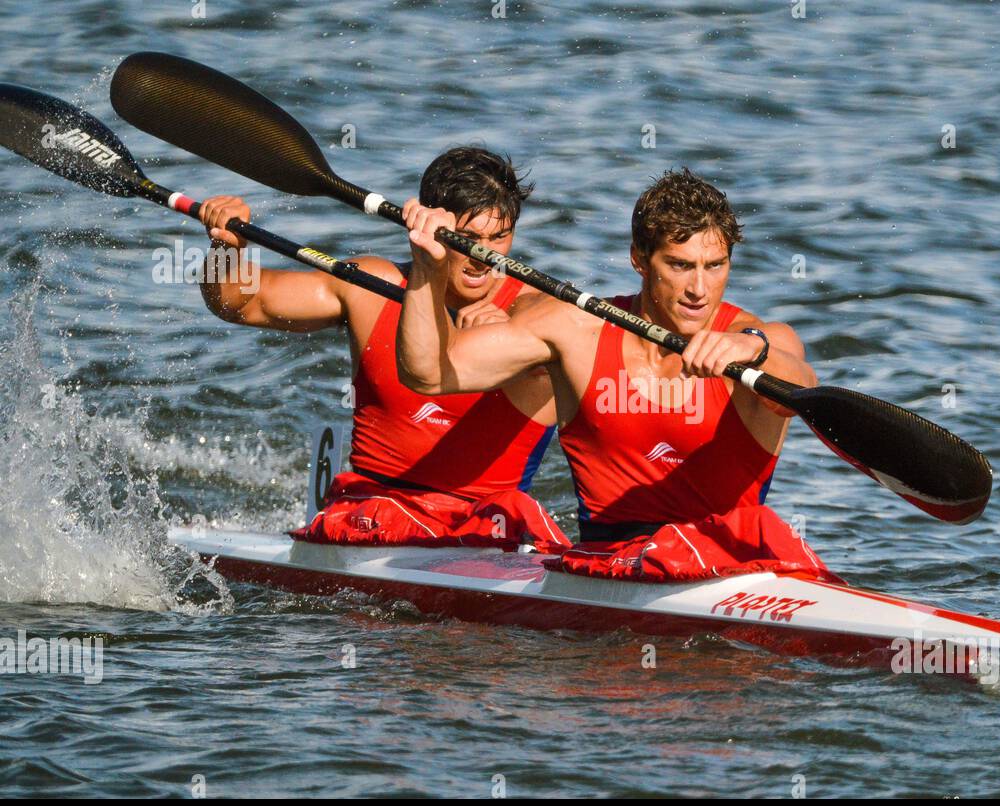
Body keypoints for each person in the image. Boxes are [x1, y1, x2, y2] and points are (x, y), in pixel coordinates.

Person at [394, 168, 835, 580]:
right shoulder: (575, 329)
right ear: (639, 260)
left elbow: (799, 386)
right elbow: (428, 374)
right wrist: (428, 270)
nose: (699, 289)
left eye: (714, 266)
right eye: (679, 265)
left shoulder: (761, 341)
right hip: (608, 568)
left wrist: (752, 349)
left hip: (730, 571)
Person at [196, 147, 568, 551]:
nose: (485, 258)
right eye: (469, 240)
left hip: (486, 529)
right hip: (370, 514)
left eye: (499, 237)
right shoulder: (370, 287)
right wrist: (226, 248)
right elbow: (239, 302)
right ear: (425, 223)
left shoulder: (537, 317)